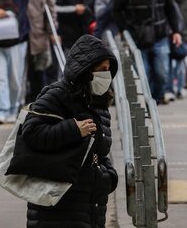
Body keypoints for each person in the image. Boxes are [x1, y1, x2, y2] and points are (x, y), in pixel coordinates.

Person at [22, 34, 118, 228]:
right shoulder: (58, 95)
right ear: (85, 70)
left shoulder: (98, 103)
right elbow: (32, 132)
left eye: (108, 70)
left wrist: (108, 176)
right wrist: (73, 129)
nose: (106, 75)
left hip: (90, 204)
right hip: (58, 203)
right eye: (101, 70)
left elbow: (99, 150)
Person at [113, 0, 182, 104]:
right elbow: (116, 10)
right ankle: (147, 99)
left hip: (160, 37)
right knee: (143, 71)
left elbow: (171, 10)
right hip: (136, 37)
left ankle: (157, 96)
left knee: (162, 72)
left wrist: (176, 31)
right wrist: (123, 29)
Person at [24, 0, 58, 101]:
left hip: (40, 34)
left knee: (42, 68)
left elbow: (51, 9)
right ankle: (30, 96)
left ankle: (42, 98)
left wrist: (52, 31)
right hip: (24, 34)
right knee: (28, 70)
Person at [166, 0, 187, 99]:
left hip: (183, 37)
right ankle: (170, 89)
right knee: (170, 65)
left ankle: (179, 88)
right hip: (170, 36)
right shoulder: (169, 3)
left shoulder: (186, 3)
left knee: (181, 64)